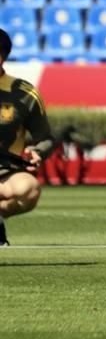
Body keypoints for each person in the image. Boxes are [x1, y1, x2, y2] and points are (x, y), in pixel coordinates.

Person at [0, 28, 55, 246]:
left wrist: (38, 152)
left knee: (28, 189)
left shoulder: (23, 93)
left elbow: (46, 138)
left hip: (5, 172)